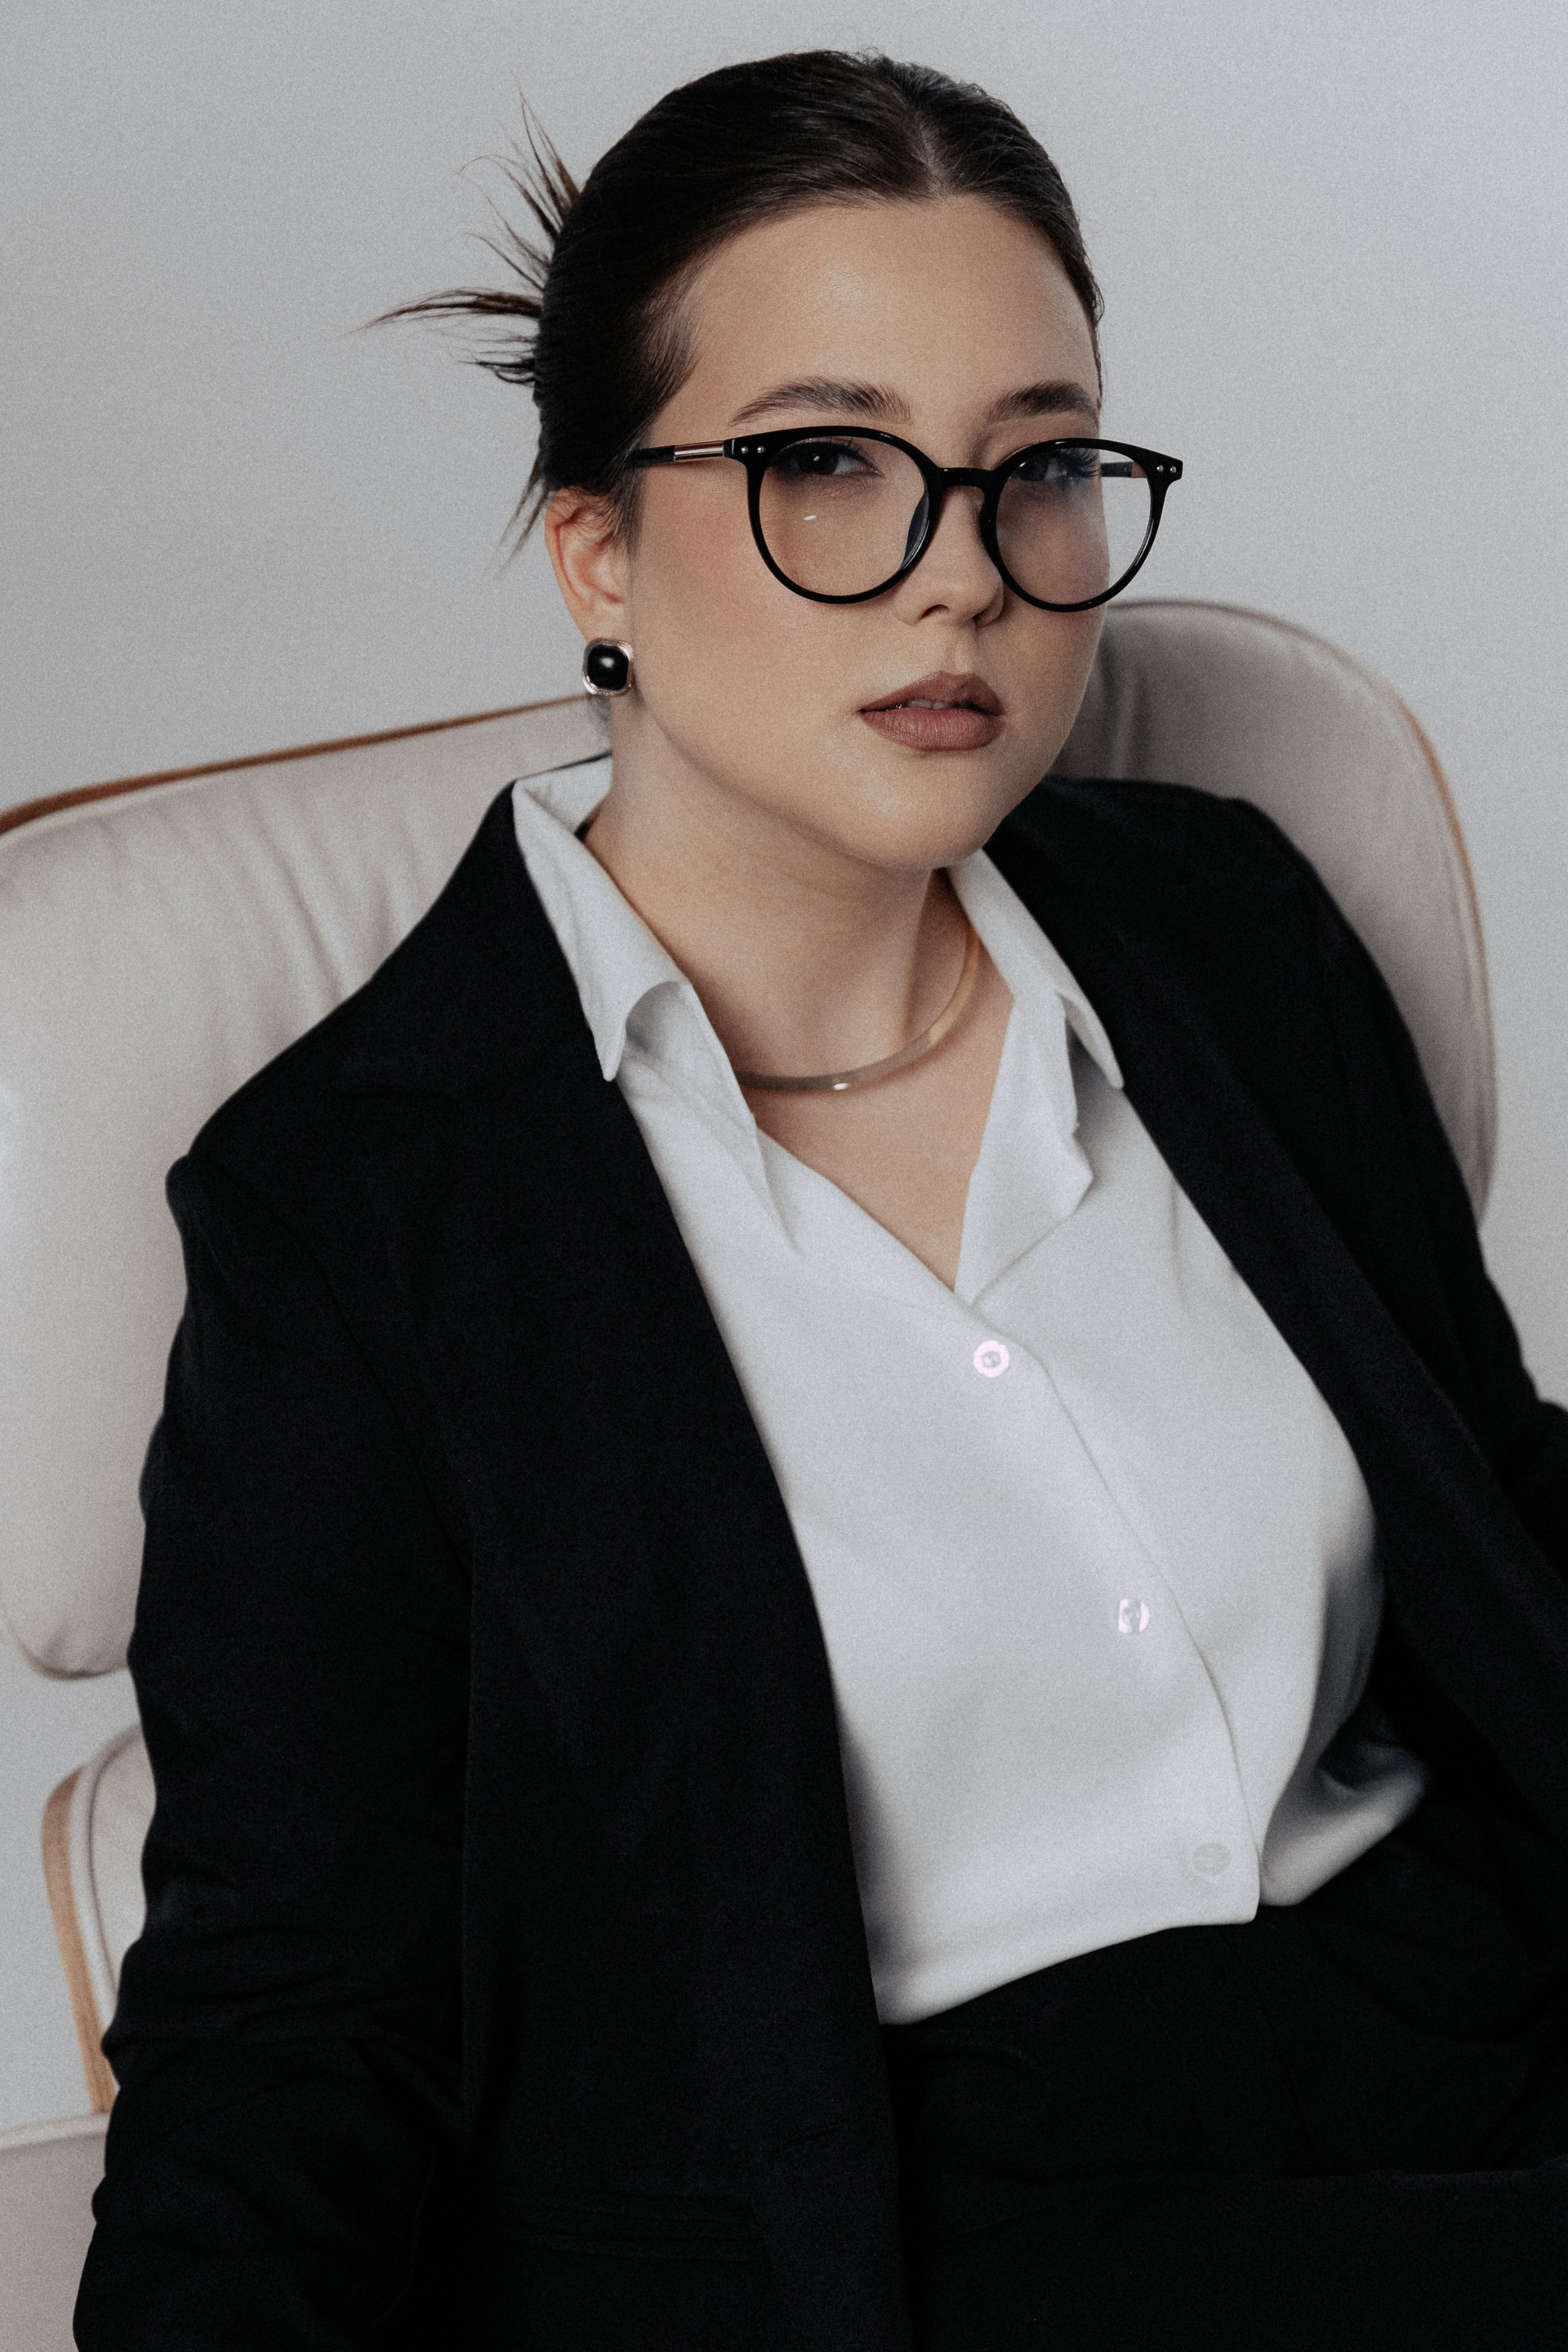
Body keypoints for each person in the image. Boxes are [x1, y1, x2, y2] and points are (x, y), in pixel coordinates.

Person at [76, 48, 1568, 2352]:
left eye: (1038, 467)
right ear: (597, 547)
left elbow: (1499, 1516)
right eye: (824, 465)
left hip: (1472, 2036)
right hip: (898, 2224)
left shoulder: (1226, 934)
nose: (963, 575)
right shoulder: (360, 1213)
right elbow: (294, 2027)